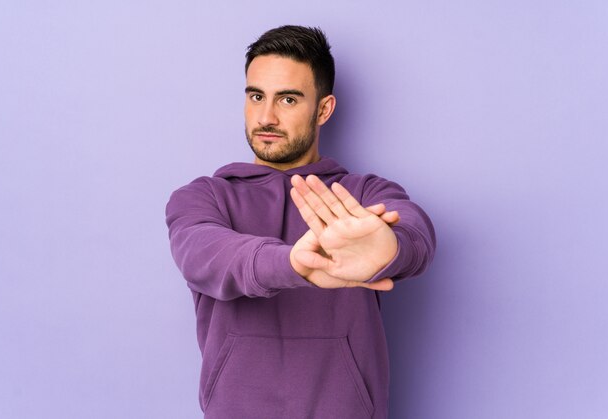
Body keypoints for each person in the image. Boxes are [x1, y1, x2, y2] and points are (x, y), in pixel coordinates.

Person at [165, 25, 436, 419]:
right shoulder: (203, 196)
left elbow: (414, 232)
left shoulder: (362, 193)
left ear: (323, 109)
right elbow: (203, 254)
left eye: (288, 99)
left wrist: (390, 249)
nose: (266, 116)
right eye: (256, 96)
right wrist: (295, 263)